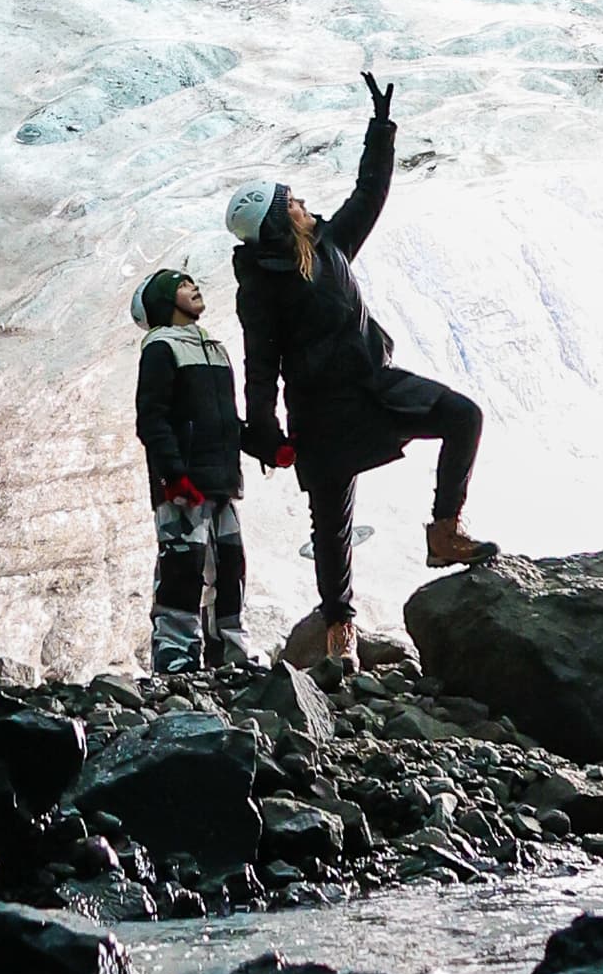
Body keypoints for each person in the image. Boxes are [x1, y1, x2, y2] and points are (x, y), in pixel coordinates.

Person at [226, 72, 491, 671]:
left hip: (375, 385)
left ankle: (444, 532)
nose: (299, 202)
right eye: (288, 200)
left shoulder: (330, 244)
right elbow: (261, 365)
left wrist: (381, 128)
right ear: (274, 219)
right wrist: (266, 432)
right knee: (331, 526)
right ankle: (340, 626)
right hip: (321, 414)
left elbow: (368, 194)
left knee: (462, 416)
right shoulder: (263, 291)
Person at [130, 263, 247, 674]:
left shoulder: (214, 348)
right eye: (181, 285)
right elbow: (152, 418)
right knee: (182, 566)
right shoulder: (160, 347)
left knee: (230, 566)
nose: (193, 286)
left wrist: (267, 445)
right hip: (183, 484)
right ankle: (175, 655)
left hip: (221, 482)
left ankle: (229, 653)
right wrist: (173, 475)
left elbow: (227, 419)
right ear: (163, 301)